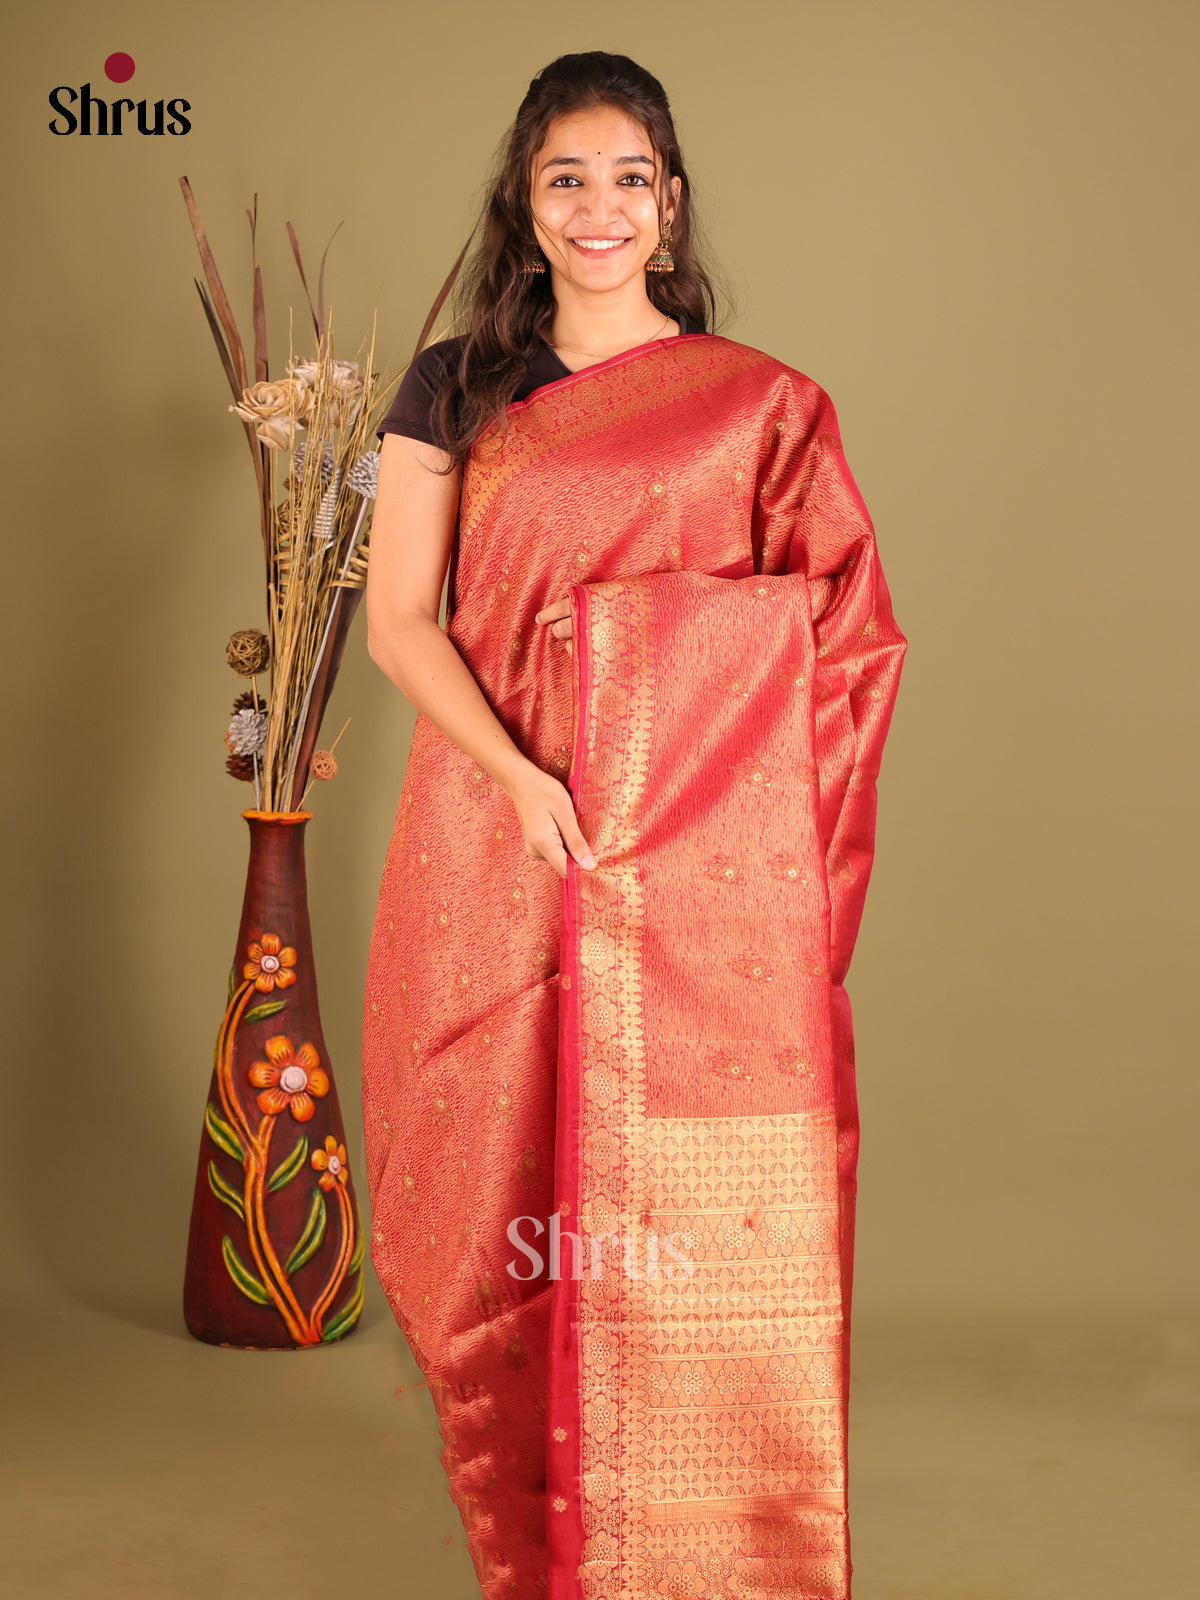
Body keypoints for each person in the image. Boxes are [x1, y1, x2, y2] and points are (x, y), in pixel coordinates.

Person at [361, 49, 907, 1600]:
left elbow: (842, 650)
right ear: (523, 211)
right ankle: (543, 1559)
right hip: (493, 850)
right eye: (565, 180)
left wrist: (683, 819)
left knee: (676, 1220)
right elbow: (404, 623)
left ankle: (703, 1559)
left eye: (627, 180)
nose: (598, 209)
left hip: (685, 902)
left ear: (669, 208)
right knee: (493, 1226)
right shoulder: (455, 387)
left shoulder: (760, 413)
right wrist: (524, 779)